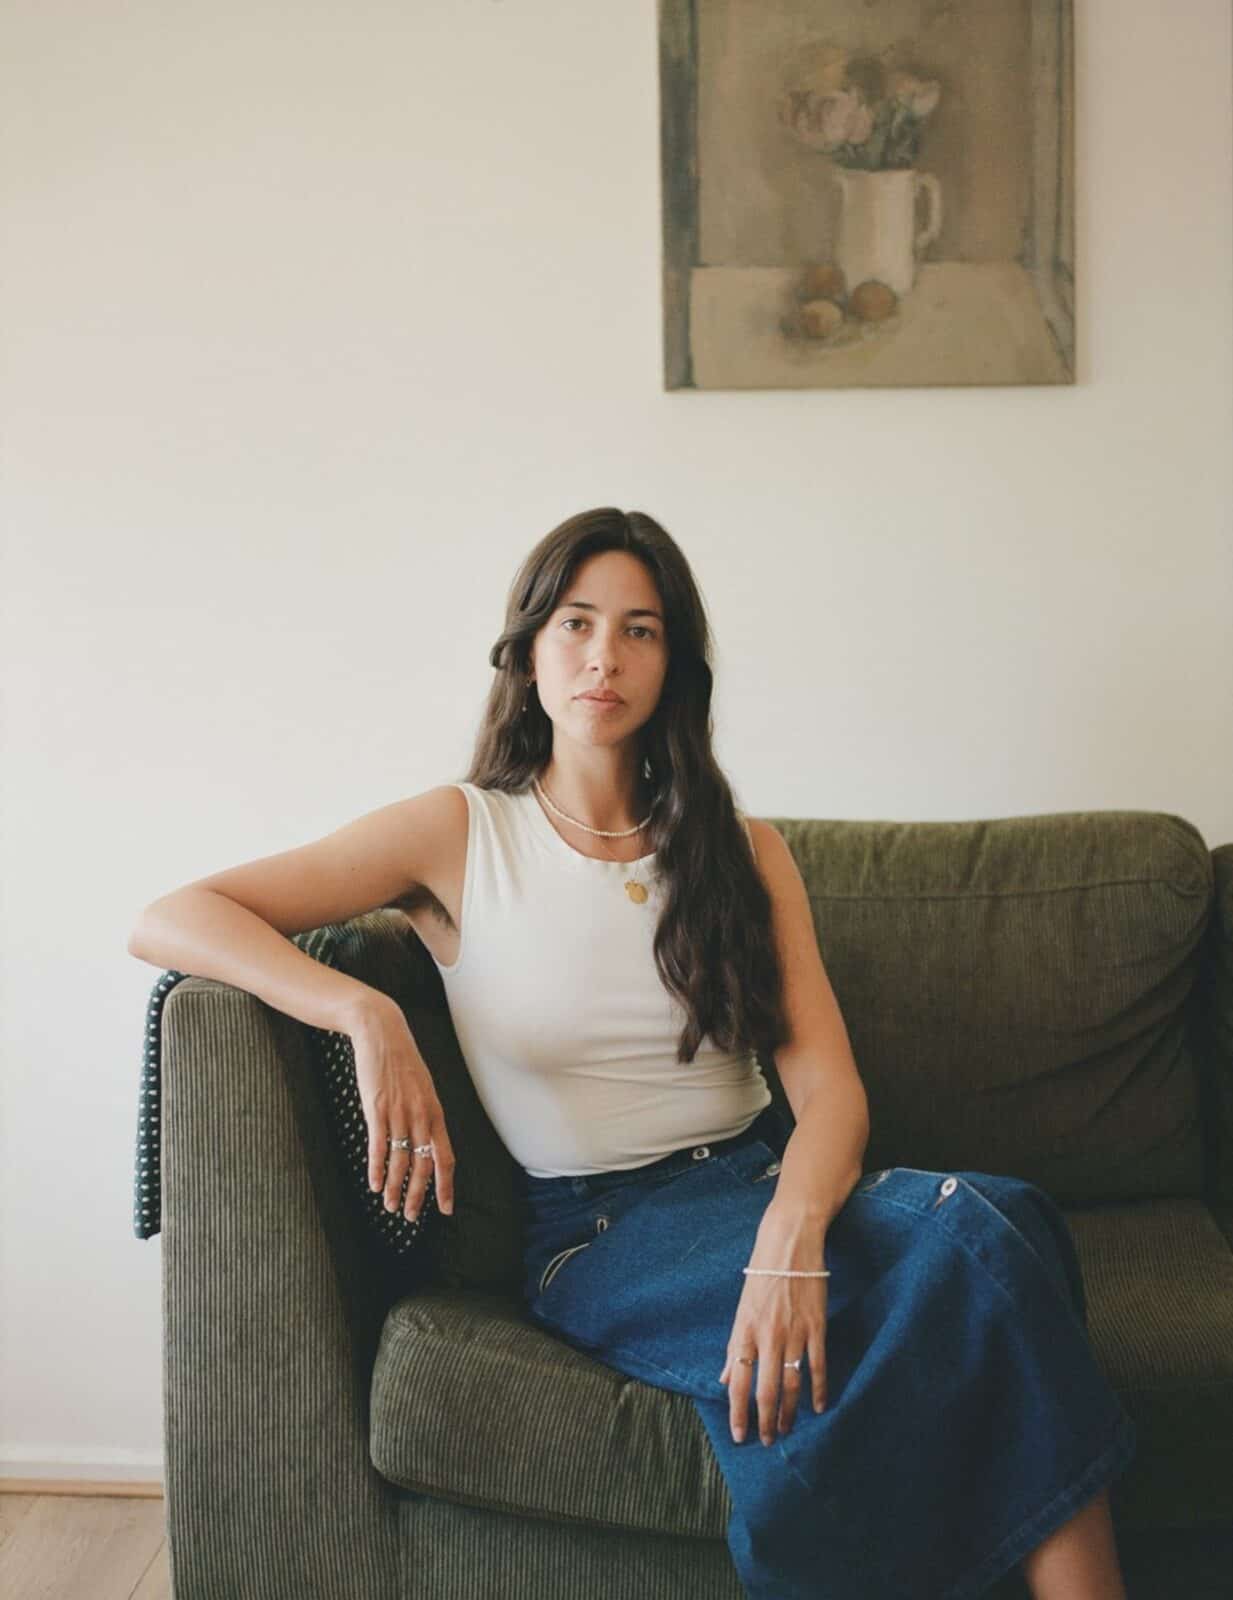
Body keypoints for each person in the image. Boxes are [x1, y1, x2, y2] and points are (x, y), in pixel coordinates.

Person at [129, 506, 1136, 1598]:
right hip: (604, 1233)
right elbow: (176, 914)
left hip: (762, 1183)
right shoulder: (458, 832)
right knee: (952, 1279)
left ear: (676, 663)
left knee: (999, 1225)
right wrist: (362, 1014)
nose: (605, 655)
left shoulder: (740, 850)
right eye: (577, 622)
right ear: (528, 650)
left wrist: (788, 1242)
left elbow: (831, 1094)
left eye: (641, 629)